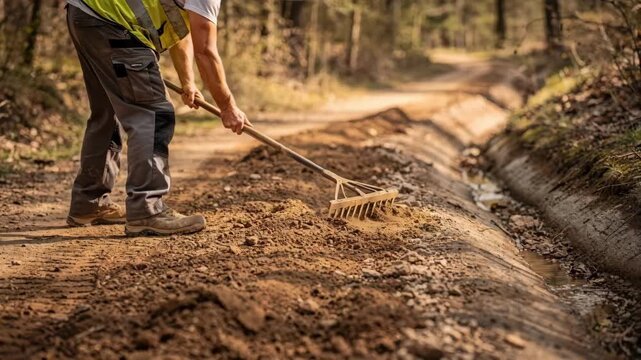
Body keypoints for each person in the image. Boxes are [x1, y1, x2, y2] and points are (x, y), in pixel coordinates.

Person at [65, 0, 248, 236]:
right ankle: (147, 210)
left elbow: (178, 28)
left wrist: (188, 82)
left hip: (85, 13)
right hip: (115, 24)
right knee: (153, 113)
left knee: (107, 110)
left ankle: (88, 203)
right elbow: (206, 52)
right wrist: (228, 106)